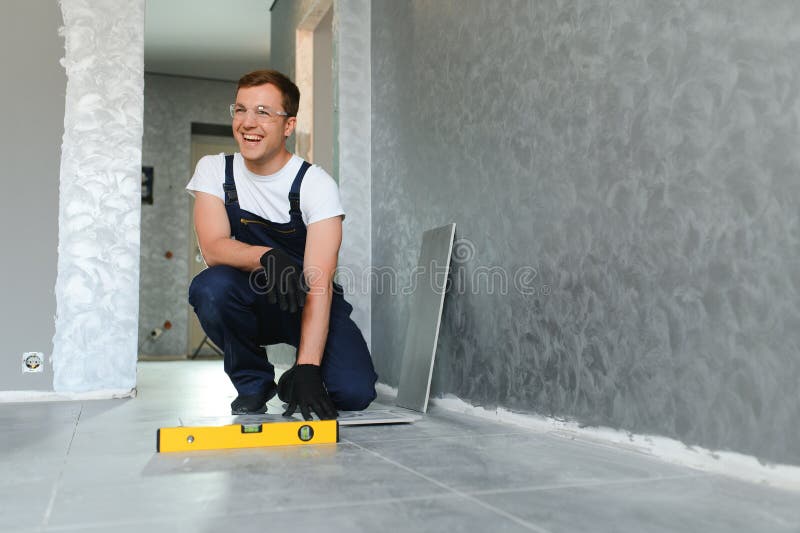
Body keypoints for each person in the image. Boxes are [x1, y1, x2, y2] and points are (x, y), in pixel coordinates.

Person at [186, 69, 378, 420]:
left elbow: (319, 284)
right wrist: (267, 255)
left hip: (306, 301)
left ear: (288, 125)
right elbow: (213, 248)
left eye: (263, 112)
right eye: (240, 109)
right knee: (210, 288)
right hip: (250, 299)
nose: (248, 122)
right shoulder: (215, 171)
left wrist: (307, 368)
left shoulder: (315, 184)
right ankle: (253, 384)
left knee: (354, 391)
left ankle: (292, 381)